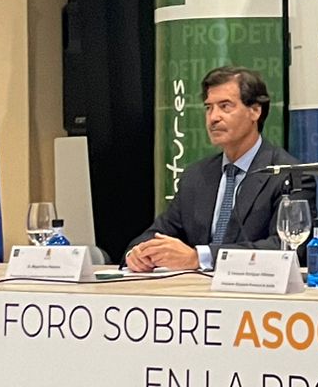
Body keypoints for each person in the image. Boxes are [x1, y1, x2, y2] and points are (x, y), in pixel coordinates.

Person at [127, 66, 298, 271]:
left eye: (225, 106)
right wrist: (139, 253)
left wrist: (199, 258)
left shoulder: (287, 173)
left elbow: (287, 247)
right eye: (209, 108)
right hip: (194, 288)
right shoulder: (196, 176)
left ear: (255, 111)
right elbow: (159, 232)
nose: (213, 117)